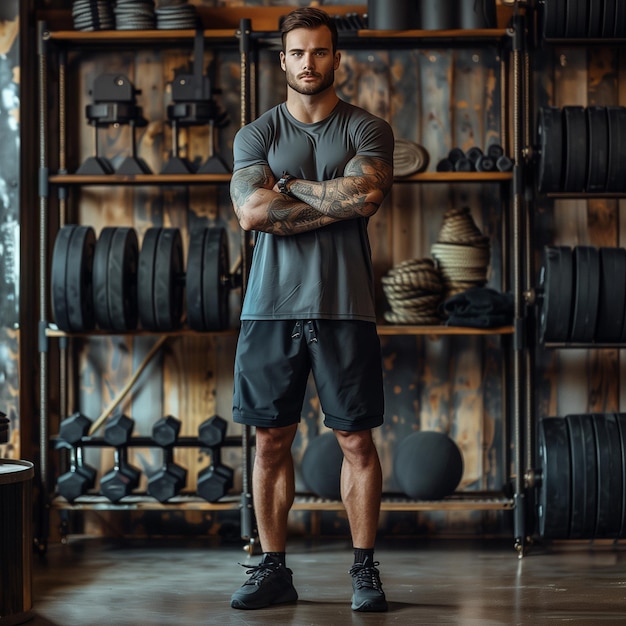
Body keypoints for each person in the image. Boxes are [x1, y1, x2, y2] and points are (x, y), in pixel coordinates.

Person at [228, 6, 394, 613]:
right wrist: (336, 199)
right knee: (270, 440)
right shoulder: (257, 134)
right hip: (268, 308)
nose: (308, 62)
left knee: (355, 440)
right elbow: (251, 213)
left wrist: (290, 188)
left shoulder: (367, 129)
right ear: (283, 60)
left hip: (345, 307)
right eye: (297, 52)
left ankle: (364, 570)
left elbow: (368, 194)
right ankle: (272, 569)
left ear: (335, 58)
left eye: (319, 51)